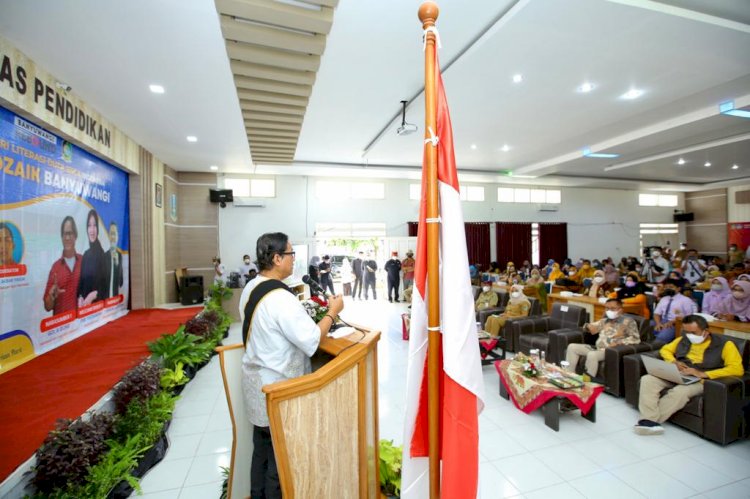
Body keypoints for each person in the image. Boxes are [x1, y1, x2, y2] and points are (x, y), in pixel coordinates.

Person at [239, 232, 344, 498]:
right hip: (279, 388)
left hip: (256, 385)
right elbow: (310, 340)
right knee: (279, 463)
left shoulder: (252, 287)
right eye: (290, 254)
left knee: (261, 453)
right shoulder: (280, 298)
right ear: (276, 258)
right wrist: (333, 312)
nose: (294, 260)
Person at [633, 314, 744, 435]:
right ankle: (649, 421)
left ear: (706, 331)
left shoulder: (725, 345)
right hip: (680, 373)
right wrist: (673, 362)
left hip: (700, 380)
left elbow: (737, 369)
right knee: (648, 380)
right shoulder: (683, 339)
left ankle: (649, 421)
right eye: (686, 332)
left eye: (693, 332)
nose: (689, 335)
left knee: (680, 392)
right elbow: (665, 350)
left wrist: (703, 374)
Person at [566, 298, 640, 378]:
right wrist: (588, 326)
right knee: (572, 347)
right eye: (607, 308)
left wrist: (619, 342)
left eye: (612, 308)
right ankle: (570, 376)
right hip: (597, 348)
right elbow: (589, 327)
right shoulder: (605, 321)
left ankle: (587, 381)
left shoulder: (628, 321)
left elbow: (636, 338)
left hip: (610, 350)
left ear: (620, 310)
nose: (609, 311)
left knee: (592, 354)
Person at [43, 216, 82, 315]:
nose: (67, 238)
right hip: (62, 327)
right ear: (61, 237)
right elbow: (47, 307)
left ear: (75, 235)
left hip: (83, 325)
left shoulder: (84, 261)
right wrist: (51, 297)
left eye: (70, 233)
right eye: (64, 234)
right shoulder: (55, 268)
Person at [78, 209, 108, 307]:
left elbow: (105, 288)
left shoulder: (102, 255)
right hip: (84, 311)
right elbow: (81, 284)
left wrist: (93, 295)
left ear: (98, 228)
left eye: (95, 225)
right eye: (89, 225)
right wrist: (80, 297)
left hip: (97, 311)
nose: (92, 230)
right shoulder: (85, 255)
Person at [105, 221, 123, 298]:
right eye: (111, 234)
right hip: (105, 302)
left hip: (114, 302)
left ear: (117, 237)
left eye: (114, 234)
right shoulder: (104, 256)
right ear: (108, 236)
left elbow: (120, 283)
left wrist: (117, 264)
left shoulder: (119, 256)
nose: (112, 237)